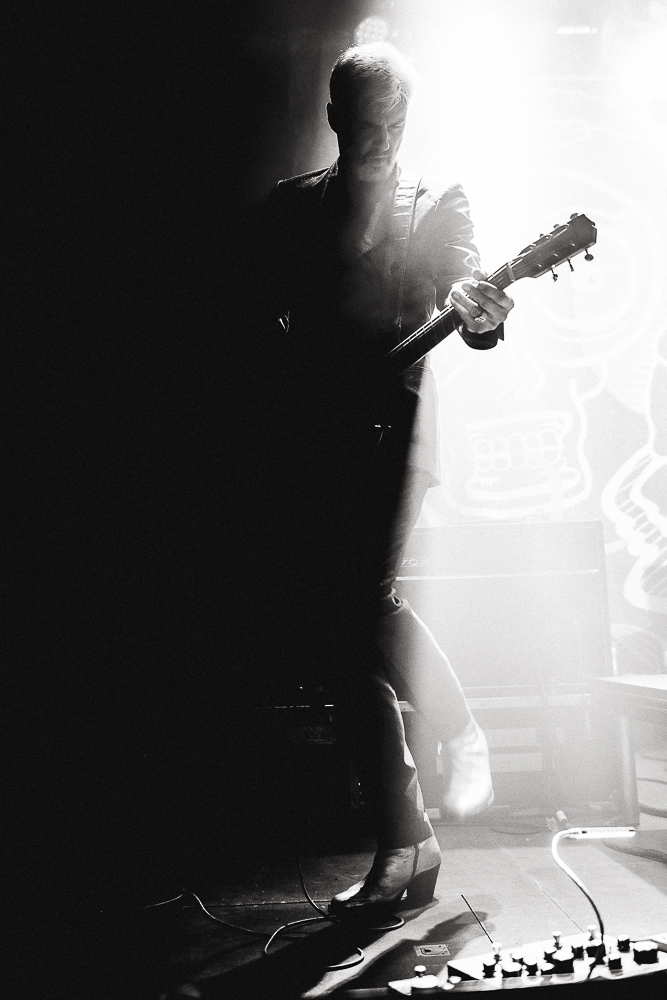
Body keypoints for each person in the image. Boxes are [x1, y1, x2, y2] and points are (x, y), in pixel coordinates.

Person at [254, 42, 514, 920]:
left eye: (394, 125)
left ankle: (458, 728)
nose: (379, 141)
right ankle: (406, 842)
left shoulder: (435, 202)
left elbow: (468, 295)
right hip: (311, 444)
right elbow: (252, 320)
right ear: (333, 116)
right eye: (364, 125)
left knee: (361, 600)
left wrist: (481, 311)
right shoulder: (292, 206)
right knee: (340, 640)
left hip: (394, 434)